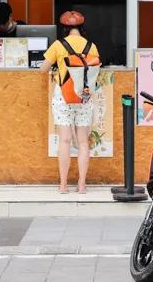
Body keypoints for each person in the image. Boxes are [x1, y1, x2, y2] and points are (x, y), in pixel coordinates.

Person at [40, 11, 100, 194]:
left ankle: (64, 185)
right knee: (83, 142)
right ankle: (82, 185)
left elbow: (43, 69)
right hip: (85, 97)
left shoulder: (58, 45)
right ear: (82, 28)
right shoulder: (92, 46)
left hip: (63, 97)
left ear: (64, 28)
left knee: (65, 141)